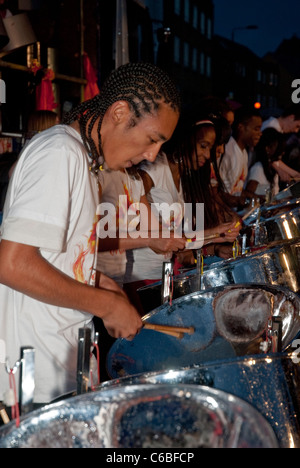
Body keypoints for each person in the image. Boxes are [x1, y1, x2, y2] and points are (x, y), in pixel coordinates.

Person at [0, 62, 181, 407]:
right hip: (35, 380)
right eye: (151, 139)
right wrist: (107, 305)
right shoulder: (60, 153)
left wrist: (98, 282)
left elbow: (57, 257)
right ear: (118, 112)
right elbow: (12, 264)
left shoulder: (83, 159)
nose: (152, 155)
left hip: (63, 362)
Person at [123, 115, 241, 310]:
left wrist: (215, 241)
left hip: (164, 273)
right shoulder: (156, 167)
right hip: (140, 277)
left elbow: (176, 240)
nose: (207, 154)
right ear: (187, 139)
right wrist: (214, 234)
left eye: (210, 149)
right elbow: (130, 207)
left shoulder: (182, 179)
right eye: (203, 145)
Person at [219, 107, 262, 208]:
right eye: (256, 129)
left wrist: (256, 198)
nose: (260, 133)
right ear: (241, 127)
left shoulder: (244, 153)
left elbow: (235, 189)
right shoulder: (228, 150)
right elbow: (219, 192)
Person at [245, 128, 285, 200]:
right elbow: (248, 193)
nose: (282, 152)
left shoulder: (271, 169)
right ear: (267, 148)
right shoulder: (258, 168)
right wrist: (263, 199)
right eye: (278, 148)